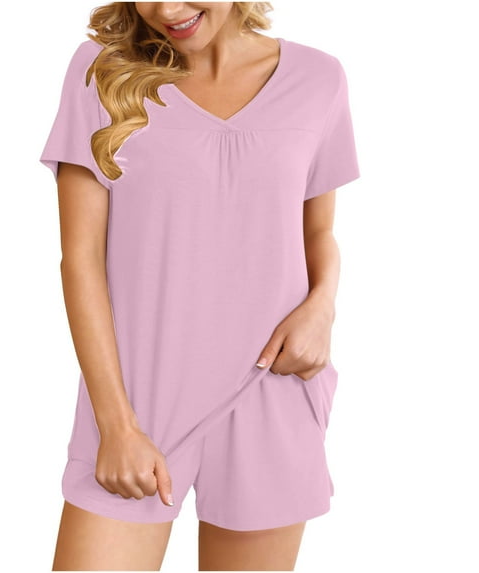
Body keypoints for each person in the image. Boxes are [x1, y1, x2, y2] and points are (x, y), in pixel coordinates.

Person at [39, 2, 360, 570]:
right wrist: (115, 424)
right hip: (136, 400)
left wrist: (322, 307)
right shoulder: (103, 71)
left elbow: (318, 232)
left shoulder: (319, 79)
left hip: (271, 388)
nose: (167, 9)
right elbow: (80, 258)